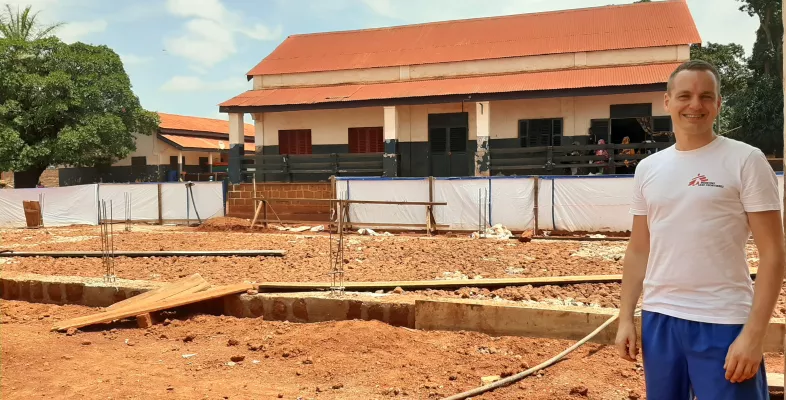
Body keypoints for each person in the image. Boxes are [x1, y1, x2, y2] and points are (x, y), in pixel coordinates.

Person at [614, 59, 784, 399]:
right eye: (685, 95)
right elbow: (639, 248)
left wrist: (753, 336)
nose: (695, 105)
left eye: (707, 96)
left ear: (719, 104)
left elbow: (774, 253)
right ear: (667, 101)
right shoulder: (648, 168)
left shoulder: (745, 160)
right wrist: (624, 318)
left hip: (723, 321)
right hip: (660, 319)